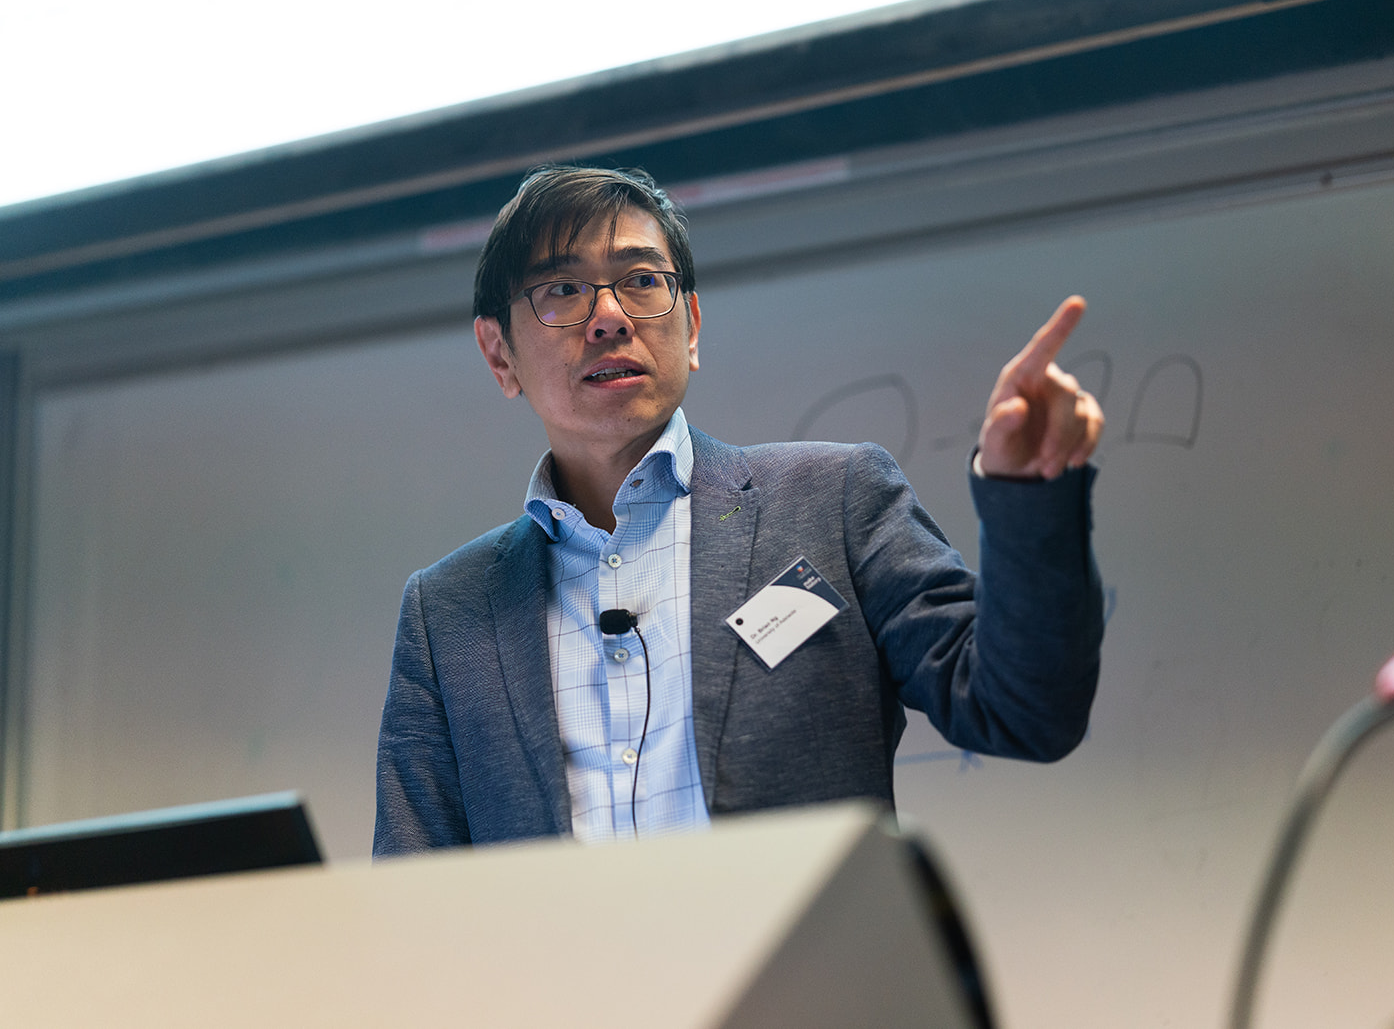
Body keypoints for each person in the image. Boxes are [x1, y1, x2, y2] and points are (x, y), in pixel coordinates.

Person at [374, 165, 1106, 853]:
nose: (610, 317)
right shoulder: (448, 613)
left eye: (642, 280)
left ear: (691, 327)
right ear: (499, 354)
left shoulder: (833, 500)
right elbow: (414, 892)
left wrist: (1028, 493)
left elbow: (1025, 710)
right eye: (563, 289)